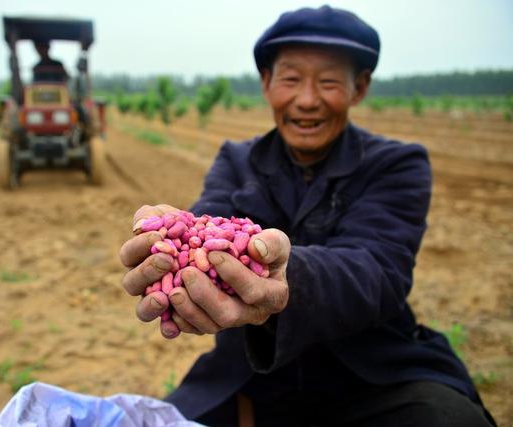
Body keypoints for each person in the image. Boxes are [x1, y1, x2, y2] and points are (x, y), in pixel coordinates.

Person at [118, 6, 496, 426]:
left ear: (359, 88)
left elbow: (377, 270)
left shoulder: (397, 164)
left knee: (449, 419)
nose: (307, 100)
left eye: (329, 81)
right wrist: (176, 248)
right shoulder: (236, 160)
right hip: (250, 374)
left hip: (372, 374)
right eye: (291, 78)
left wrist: (286, 273)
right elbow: (205, 230)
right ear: (266, 83)